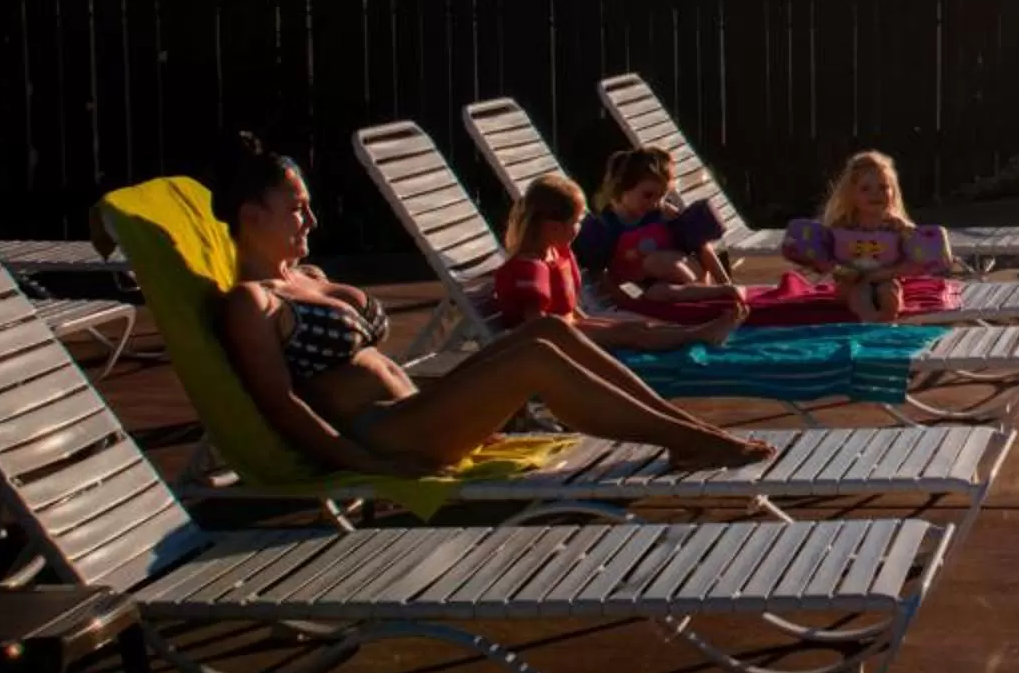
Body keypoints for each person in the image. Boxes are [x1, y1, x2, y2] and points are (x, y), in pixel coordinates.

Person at [214, 138, 769, 475]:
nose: (310, 220)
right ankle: (691, 440)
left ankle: (685, 431)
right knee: (535, 359)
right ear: (249, 215)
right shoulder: (251, 302)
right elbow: (283, 405)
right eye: (295, 208)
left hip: (419, 411)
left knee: (549, 331)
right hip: (386, 435)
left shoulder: (308, 276)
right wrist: (369, 466)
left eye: (309, 207)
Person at [497, 175, 745, 349]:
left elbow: (572, 312)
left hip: (571, 327)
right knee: (632, 333)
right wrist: (600, 333)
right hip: (554, 341)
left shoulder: (559, 253)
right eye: (576, 221)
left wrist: (602, 321)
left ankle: (695, 334)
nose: (580, 228)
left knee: (638, 325)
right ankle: (698, 336)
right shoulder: (531, 267)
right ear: (552, 227)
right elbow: (537, 328)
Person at [785, 150, 951, 324]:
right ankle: (870, 322)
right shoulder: (839, 227)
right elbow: (823, 260)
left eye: (883, 187)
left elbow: (915, 262)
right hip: (849, 285)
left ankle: (887, 323)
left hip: (885, 279)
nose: (876, 194)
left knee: (890, 293)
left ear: (893, 192)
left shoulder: (898, 228)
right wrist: (841, 271)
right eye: (866, 189)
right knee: (859, 294)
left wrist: (884, 274)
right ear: (852, 195)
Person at [576, 148, 738, 305]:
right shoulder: (606, 226)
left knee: (654, 261)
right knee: (658, 293)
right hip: (656, 289)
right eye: (647, 195)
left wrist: (725, 282)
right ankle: (702, 295)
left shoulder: (664, 213)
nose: (655, 203)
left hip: (691, 274)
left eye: (662, 196)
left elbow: (701, 245)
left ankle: (716, 292)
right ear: (622, 188)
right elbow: (600, 274)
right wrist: (626, 303)